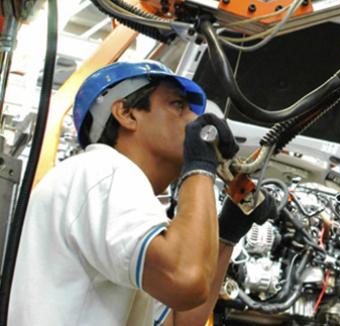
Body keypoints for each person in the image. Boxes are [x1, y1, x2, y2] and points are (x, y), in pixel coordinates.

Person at [8, 60, 275, 325]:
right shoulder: (103, 171)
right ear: (126, 113)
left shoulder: (117, 194)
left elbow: (181, 320)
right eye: (178, 105)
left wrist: (227, 232)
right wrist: (200, 164)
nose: (194, 119)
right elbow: (186, 279)